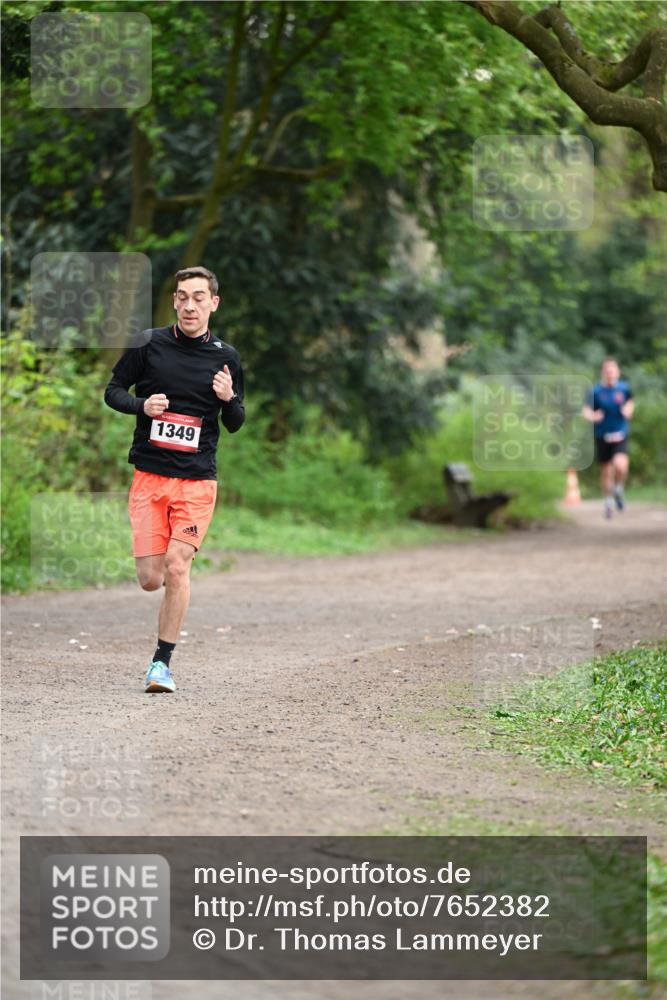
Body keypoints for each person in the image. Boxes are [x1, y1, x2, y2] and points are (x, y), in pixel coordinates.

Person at [104, 266, 245, 692]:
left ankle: (161, 664)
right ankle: (170, 584)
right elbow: (113, 391)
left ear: (213, 303)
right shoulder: (149, 344)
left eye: (199, 297)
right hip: (150, 477)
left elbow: (236, 421)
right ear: (174, 301)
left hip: (197, 482)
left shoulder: (226, 357)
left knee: (177, 565)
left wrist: (228, 397)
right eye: (183, 296)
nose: (189, 305)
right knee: (151, 578)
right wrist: (141, 405)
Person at [583, 358, 633, 519]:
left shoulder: (624, 389)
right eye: (607, 371)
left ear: (617, 371)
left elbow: (630, 402)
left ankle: (618, 489)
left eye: (613, 370)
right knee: (606, 471)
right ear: (603, 372)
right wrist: (593, 416)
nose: (610, 373)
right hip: (602, 434)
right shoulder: (595, 391)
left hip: (620, 433)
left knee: (620, 466)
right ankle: (608, 501)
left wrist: (628, 410)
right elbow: (586, 410)